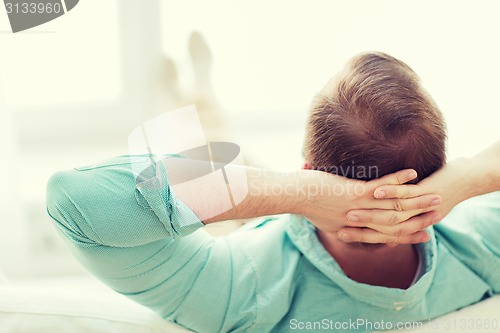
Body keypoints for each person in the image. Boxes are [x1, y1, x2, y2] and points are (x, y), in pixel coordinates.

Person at [46, 52, 500, 333]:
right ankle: (203, 103)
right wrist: (470, 175)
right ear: (435, 169)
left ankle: (201, 106)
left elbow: (75, 202)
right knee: (237, 163)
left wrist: (295, 193)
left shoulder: (243, 289)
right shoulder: (484, 245)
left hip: (257, 231)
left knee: (237, 168)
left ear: (307, 168)